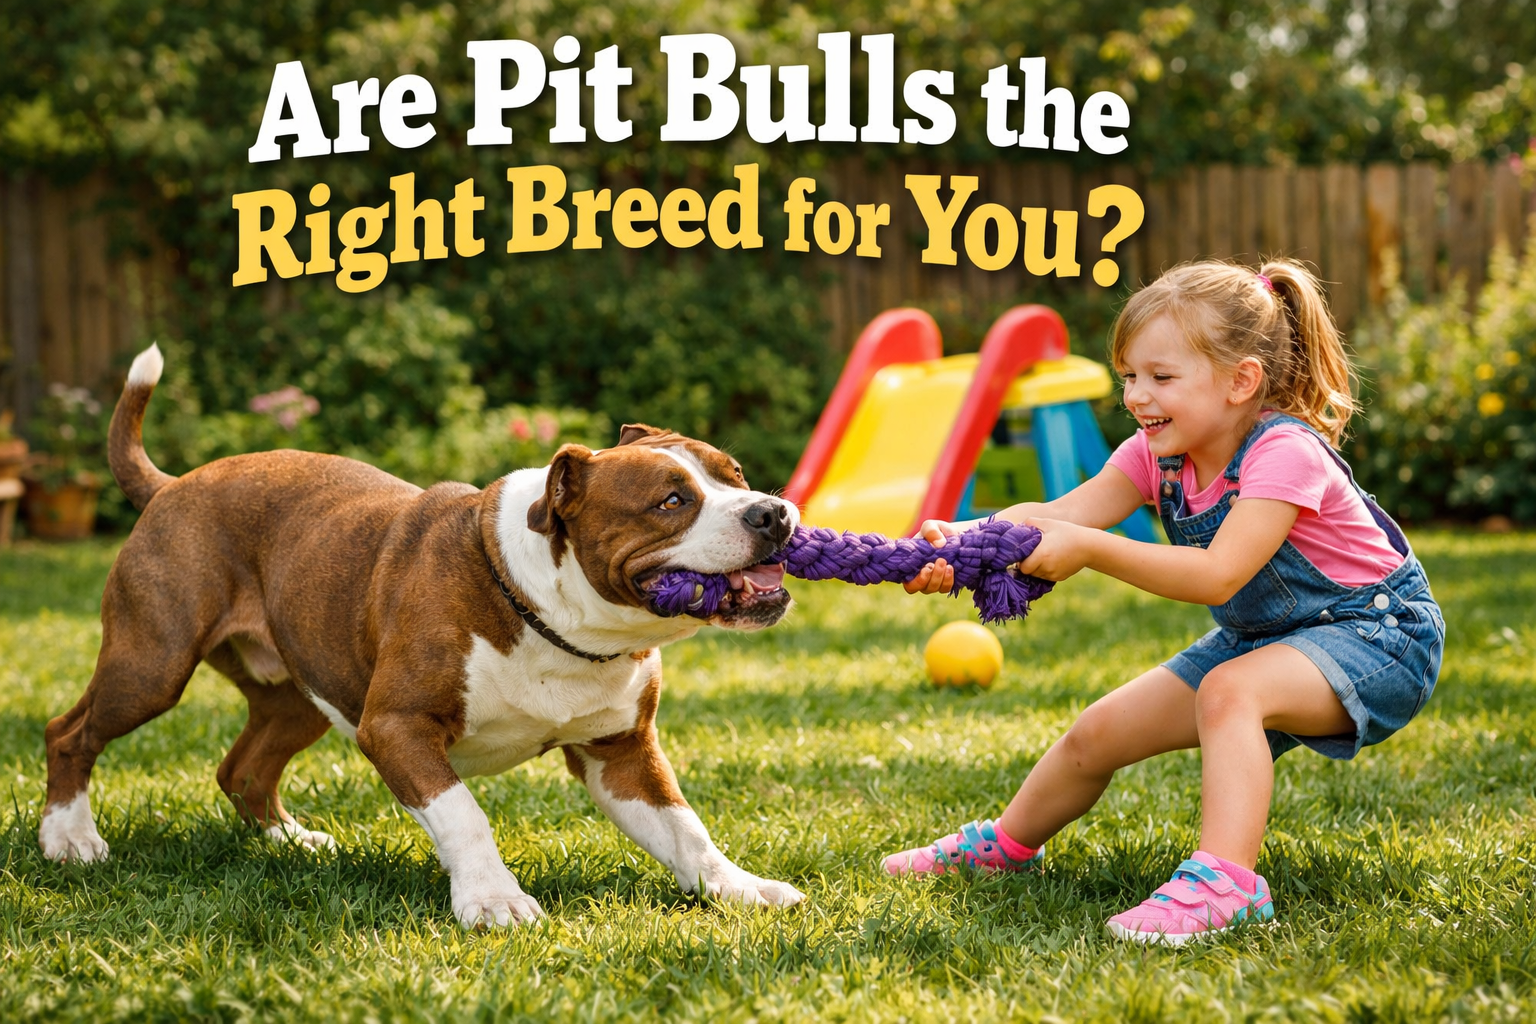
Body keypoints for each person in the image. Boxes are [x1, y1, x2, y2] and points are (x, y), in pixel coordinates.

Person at [883, 259, 1445, 945]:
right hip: (1265, 638)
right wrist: (963, 539)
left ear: (1241, 382)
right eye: (1129, 376)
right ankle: (1006, 845)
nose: (1136, 396)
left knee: (1228, 692)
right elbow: (1064, 514)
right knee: (1098, 733)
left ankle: (1227, 886)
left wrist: (1091, 549)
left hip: (1377, 636)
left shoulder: (1285, 452)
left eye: (1160, 377)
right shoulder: (1156, 454)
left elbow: (1217, 576)